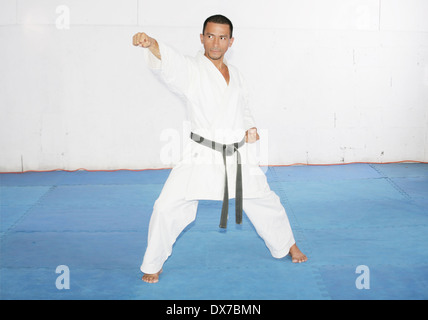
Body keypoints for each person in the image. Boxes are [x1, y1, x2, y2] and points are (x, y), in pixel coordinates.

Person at [133, 14, 307, 284]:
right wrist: (152, 43)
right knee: (167, 206)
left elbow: (243, 107)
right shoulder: (192, 69)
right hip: (201, 153)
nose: (216, 43)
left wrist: (250, 127)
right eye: (210, 36)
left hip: (236, 152)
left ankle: (286, 244)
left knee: (264, 200)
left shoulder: (236, 75)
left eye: (222, 37)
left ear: (231, 41)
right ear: (202, 38)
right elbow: (172, 63)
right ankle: (153, 263)